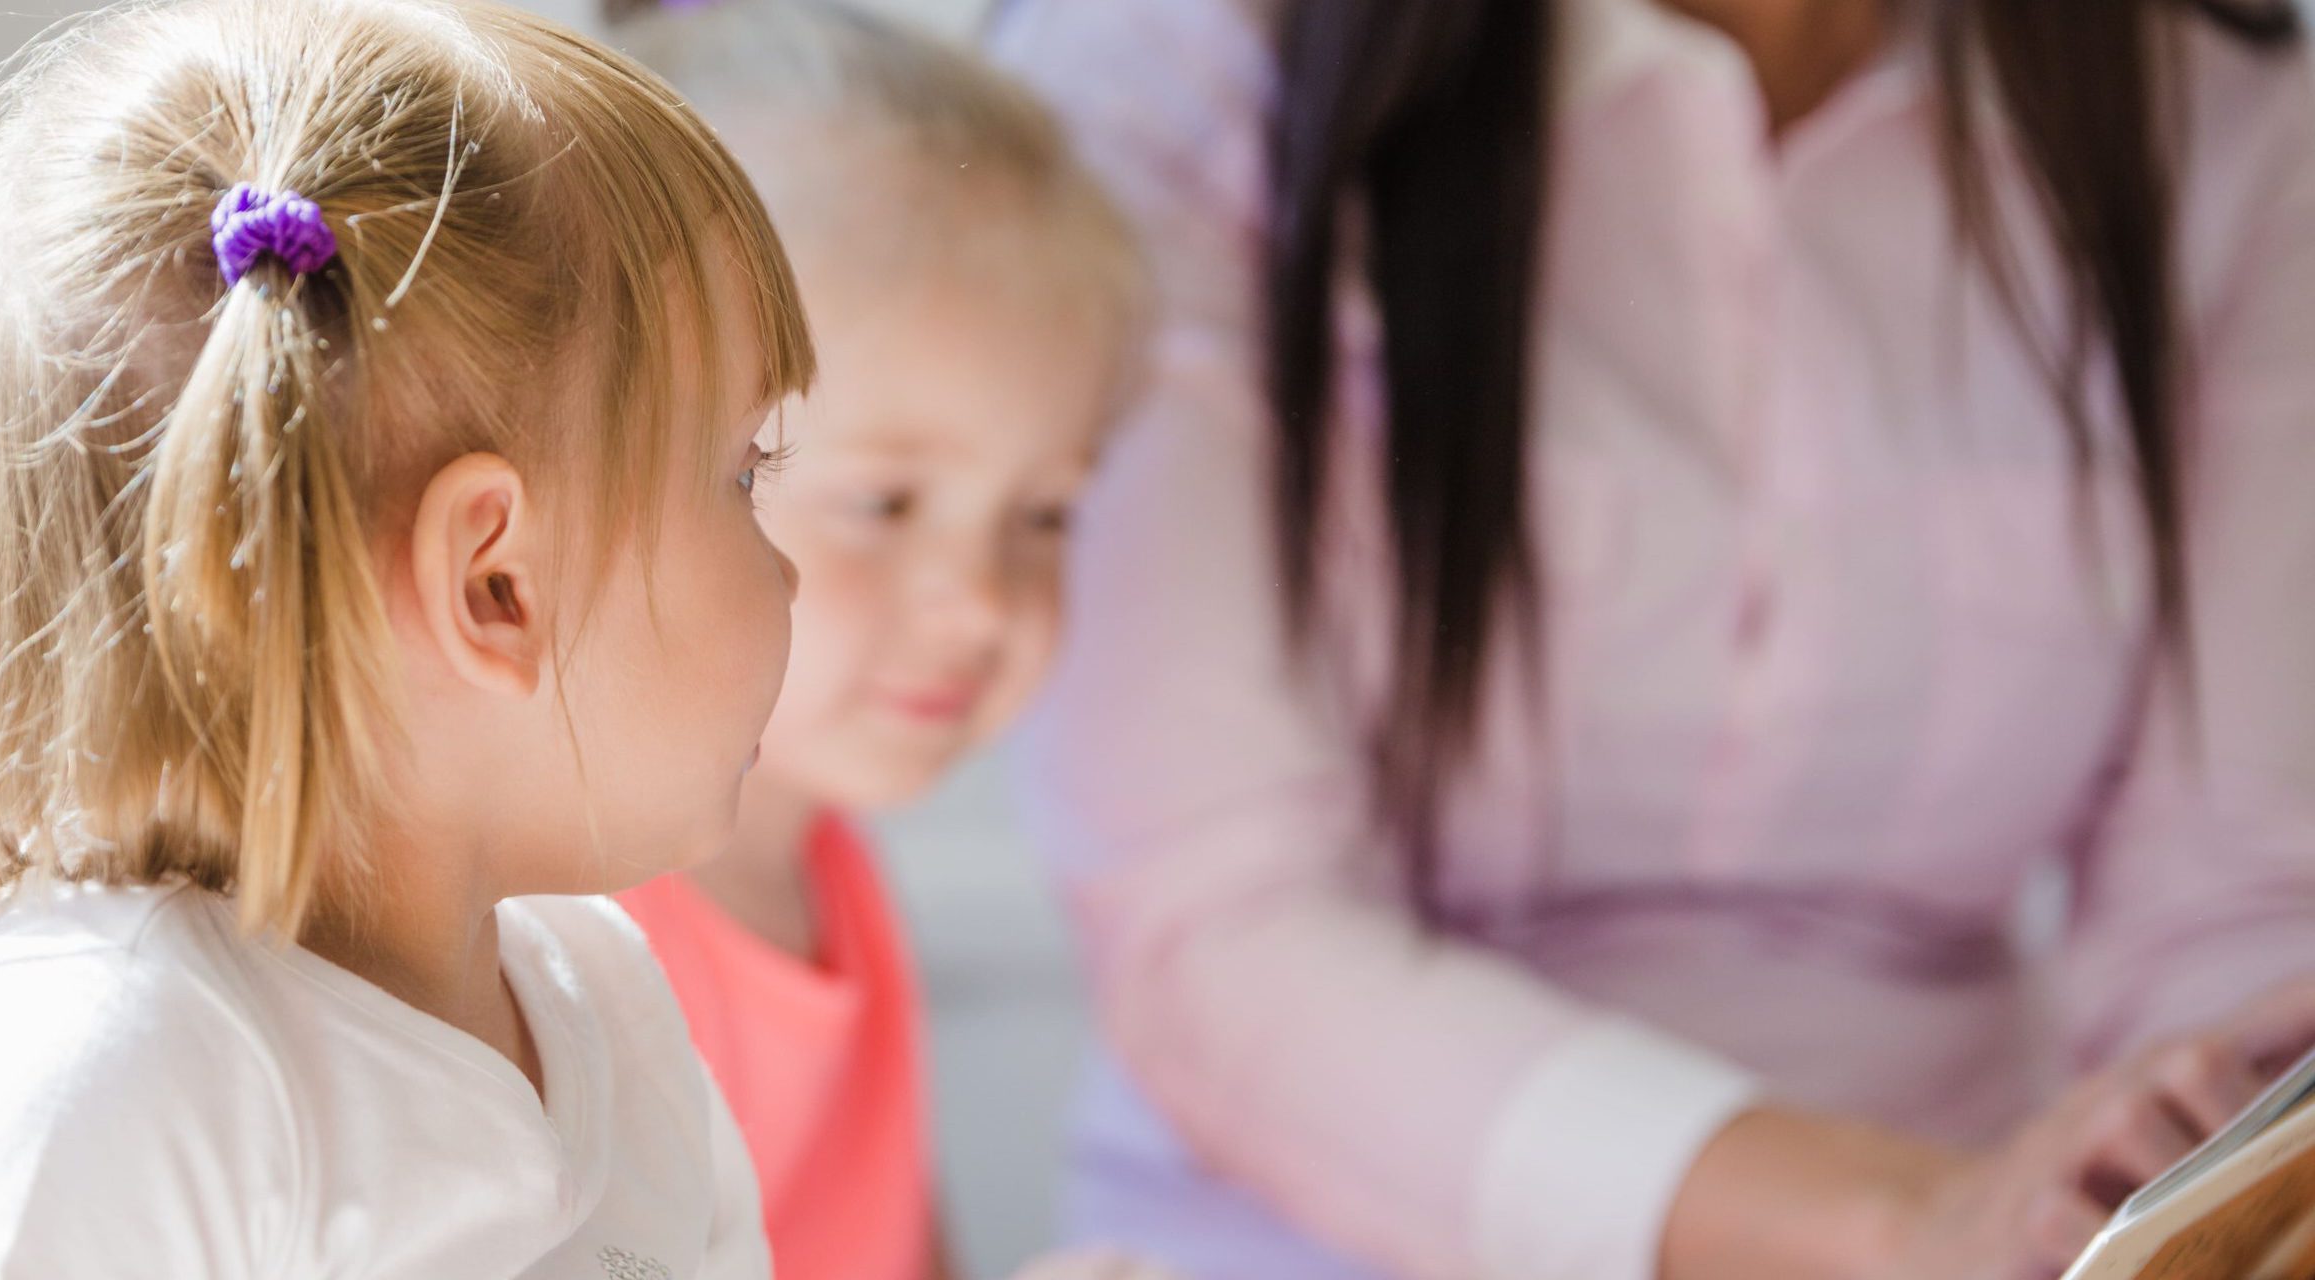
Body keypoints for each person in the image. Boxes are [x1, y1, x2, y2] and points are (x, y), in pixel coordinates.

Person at [989, 0, 2315, 1276]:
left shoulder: (2229, 109)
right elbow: (1213, 926)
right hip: (1317, 1234)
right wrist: (1915, 1222)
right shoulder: (1173, 67)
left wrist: (2188, 1193)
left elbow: (2231, 906)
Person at [0, 0, 812, 1273]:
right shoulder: (86, 1084)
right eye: (743, 473)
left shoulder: (606, 1004)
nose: (789, 569)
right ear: (496, 587)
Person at [604, 4, 1156, 1278]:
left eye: (1045, 512)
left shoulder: (842, 882)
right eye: (886, 503)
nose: (979, 600)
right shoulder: (590, 949)